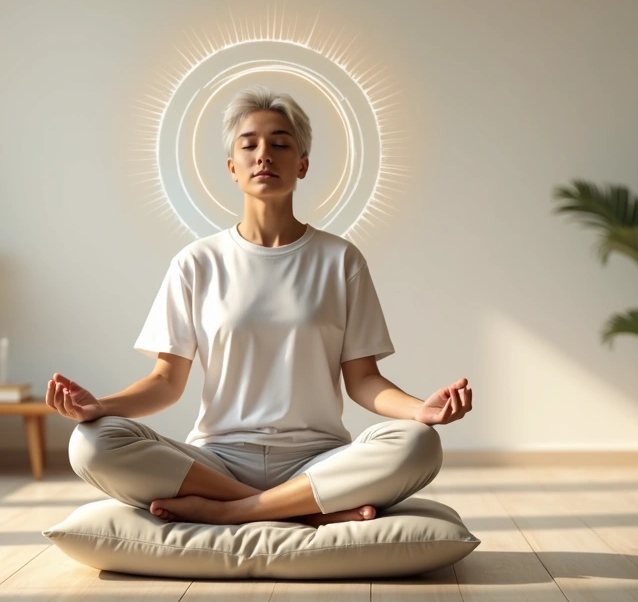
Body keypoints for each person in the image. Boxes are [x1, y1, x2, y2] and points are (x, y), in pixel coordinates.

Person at [47, 85, 473, 527]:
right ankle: (301, 512)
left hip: (319, 462)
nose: (264, 154)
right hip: (217, 463)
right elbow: (165, 383)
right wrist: (100, 407)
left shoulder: (341, 260)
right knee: (91, 443)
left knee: (419, 443)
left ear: (302, 165)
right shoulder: (197, 262)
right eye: (249, 145)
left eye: (281, 144)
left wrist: (420, 410)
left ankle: (232, 512)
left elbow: (363, 381)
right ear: (232, 167)